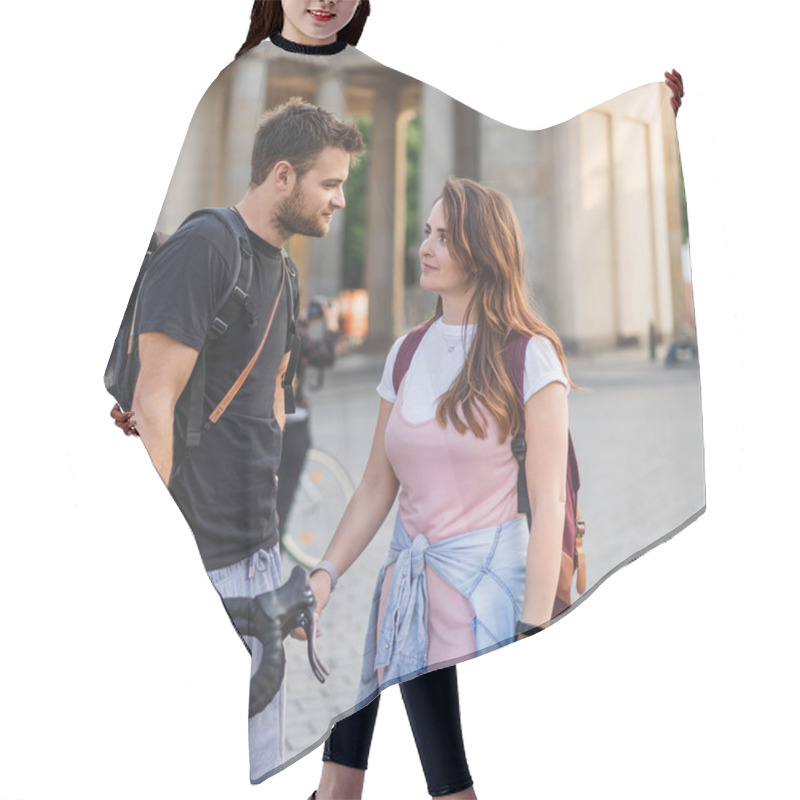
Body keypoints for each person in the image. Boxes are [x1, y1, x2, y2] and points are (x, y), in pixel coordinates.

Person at [109, 96, 364, 783]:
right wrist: (151, 563)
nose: (339, 201)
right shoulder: (206, 247)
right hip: (196, 559)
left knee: (253, 763)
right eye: (330, 184)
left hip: (255, 562)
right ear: (283, 176)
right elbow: (151, 403)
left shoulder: (282, 268)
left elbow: (274, 403)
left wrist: (277, 563)